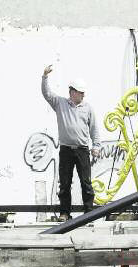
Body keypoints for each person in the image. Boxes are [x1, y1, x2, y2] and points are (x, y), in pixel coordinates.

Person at [41, 65, 101, 222]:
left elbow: (94, 128)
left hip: (82, 150)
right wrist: (45, 77)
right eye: (81, 92)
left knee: (86, 183)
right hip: (66, 149)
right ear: (73, 92)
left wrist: (96, 146)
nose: (83, 95)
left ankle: (89, 213)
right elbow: (47, 94)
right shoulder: (60, 104)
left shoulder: (88, 108)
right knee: (65, 183)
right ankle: (65, 213)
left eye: (83, 93)